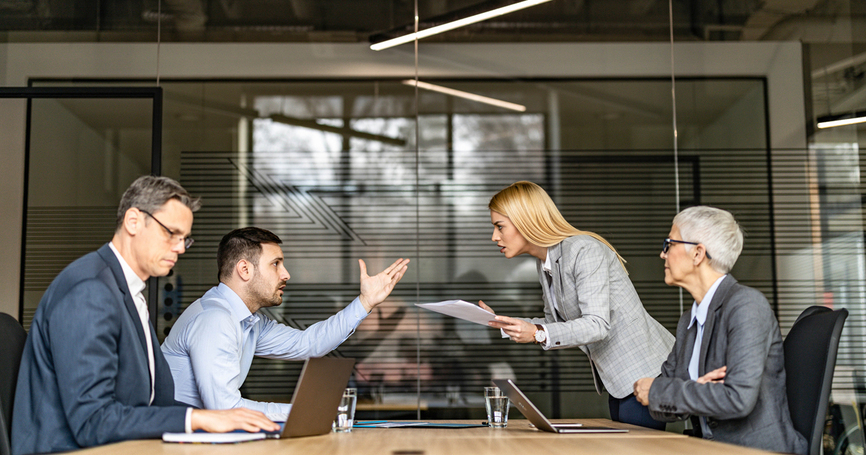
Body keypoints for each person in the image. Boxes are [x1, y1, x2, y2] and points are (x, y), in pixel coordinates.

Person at [12, 176, 279, 455]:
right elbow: (93, 421)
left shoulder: (126, 290)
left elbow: (150, 403)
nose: (179, 247)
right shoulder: (89, 291)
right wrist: (196, 418)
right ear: (133, 222)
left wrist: (220, 419)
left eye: (184, 239)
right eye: (170, 233)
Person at [481, 181, 674, 430]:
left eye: (500, 226)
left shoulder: (583, 250)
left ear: (526, 220)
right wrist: (509, 325)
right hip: (620, 380)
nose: (494, 236)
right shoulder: (547, 262)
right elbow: (556, 322)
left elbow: (597, 325)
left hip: (645, 371)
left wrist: (537, 333)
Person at [161, 227, 410, 418]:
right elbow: (225, 408)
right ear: (244, 270)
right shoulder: (215, 319)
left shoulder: (249, 321)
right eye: (276, 264)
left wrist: (365, 302)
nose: (286, 274)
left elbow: (309, 344)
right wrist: (303, 412)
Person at [632, 206, 807, 454]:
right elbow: (660, 402)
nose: (663, 254)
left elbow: (737, 399)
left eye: (669, 243)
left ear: (697, 254)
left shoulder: (746, 306)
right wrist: (695, 390)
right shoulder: (688, 321)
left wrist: (679, 391)